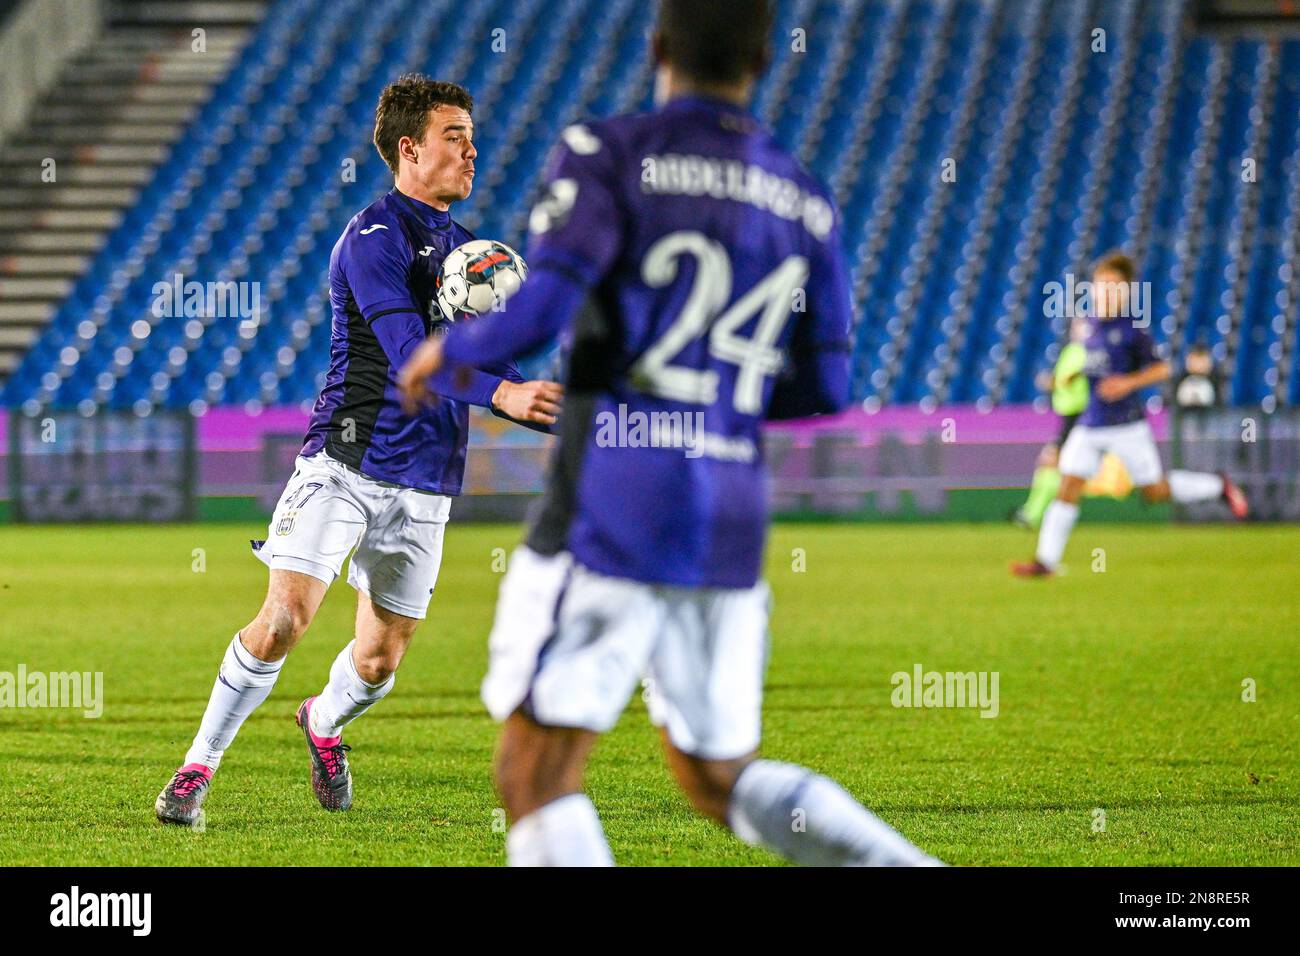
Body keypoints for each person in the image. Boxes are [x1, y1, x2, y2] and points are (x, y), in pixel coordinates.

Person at [398, 0, 939, 866]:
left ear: (656, 47)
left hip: (611, 502)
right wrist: (715, 406)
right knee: (716, 777)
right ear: (763, 57)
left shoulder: (610, 153)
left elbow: (544, 301)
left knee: (535, 775)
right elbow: (827, 383)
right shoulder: (802, 195)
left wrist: (448, 352)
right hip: (726, 512)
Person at [155, 75, 562, 826]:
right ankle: (195, 769)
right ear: (408, 149)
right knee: (285, 617)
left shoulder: (472, 253)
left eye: (472, 136)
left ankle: (323, 722)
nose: (472, 150)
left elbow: (493, 365)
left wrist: (547, 405)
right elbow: (409, 349)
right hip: (345, 460)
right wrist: (502, 395)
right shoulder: (373, 237)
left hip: (428, 478)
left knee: (377, 666)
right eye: (454, 136)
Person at [1012, 252, 1247, 577]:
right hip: (1090, 423)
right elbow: (1096, 364)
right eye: (1100, 285)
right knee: (1068, 485)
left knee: (1153, 492)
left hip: (1126, 426)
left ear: (1125, 291)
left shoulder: (1134, 329)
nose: (1104, 291)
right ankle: (1046, 562)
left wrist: (1127, 383)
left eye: (1112, 285)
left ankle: (1217, 486)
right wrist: (1073, 376)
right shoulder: (1089, 326)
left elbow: (1163, 369)